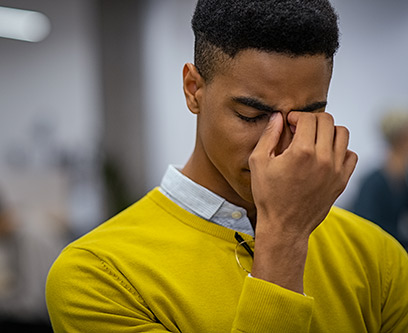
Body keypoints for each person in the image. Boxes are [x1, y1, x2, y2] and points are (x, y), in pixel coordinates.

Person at [46, 0, 408, 331]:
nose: (281, 147)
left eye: (307, 117)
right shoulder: (97, 274)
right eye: (251, 115)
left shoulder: (379, 257)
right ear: (193, 89)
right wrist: (283, 236)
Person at [352, 110, 408, 248]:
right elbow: (364, 228)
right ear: (401, 139)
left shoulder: (402, 179)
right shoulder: (373, 182)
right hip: (377, 251)